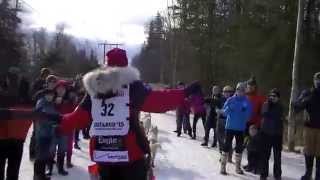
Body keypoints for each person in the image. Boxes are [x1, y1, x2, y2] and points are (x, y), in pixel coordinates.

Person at [57, 48, 201, 180]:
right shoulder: (133, 88)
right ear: (126, 67)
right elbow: (158, 101)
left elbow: (79, 118)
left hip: (103, 154)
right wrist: (185, 92)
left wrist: (59, 122)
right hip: (131, 154)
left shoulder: (95, 90)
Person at [0, 68, 32, 180]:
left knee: (13, 171)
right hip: (6, 138)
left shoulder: (25, 97)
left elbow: (28, 117)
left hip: (15, 139)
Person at [219, 82, 252, 175]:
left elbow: (248, 116)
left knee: (239, 148)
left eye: (242, 90)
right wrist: (228, 109)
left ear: (244, 91)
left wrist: (242, 112)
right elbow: (224, 113)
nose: (240, 92)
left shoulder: (247, 101)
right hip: (229, 127)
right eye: (238, 90)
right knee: (226, 146)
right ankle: (223, 167)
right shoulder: (230, 100)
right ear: (236, 90)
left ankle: (237, 168)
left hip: (240, 128)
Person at [294, 72, 320, 180]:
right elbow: (297, 107)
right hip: (309, 128)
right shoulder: (309, 93)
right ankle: (308, 173)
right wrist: (299, 98)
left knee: (319, 153)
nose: (319, 82)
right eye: (317, 80)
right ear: (314, 80)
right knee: (309, 152)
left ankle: (318, 175)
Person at [33, 88, 60, 180]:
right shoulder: (41, 103)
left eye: (52, 95)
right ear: (44, 95)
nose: (50, 96)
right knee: (40, 156)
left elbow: (53, 114)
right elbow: (41, 117)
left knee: (44, 155)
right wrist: (54, 122)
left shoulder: (50, 103)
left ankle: (41, 175)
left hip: (48, 133)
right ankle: (37, 176)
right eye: (48, 95)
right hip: (42, 134)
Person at [47, 80, 71, 176]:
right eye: (59, 88)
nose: (61, 90)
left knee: (62, 149)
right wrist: (55, 103)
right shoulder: (50, 99)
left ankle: (60, 168)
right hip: (53, 129)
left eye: (63, 89)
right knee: (51, 150)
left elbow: (71, 114)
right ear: (56, 89)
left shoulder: (69, 101)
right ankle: (50, 168)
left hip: (64, 129)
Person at [244, 76, 266, 172]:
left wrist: (259, 124)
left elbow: (263, 112)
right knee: (248, 146)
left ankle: (257, 165)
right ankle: (250, 164)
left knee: (257, 147)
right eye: (249, 85)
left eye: (253, 86)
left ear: (255, 87)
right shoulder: (244, 97)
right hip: (246, 124)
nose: (251, 87)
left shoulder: (260, 97)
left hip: (256, 125)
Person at [260, 89, 283, 180]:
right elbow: (264, 113)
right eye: (271, 96)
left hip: (277, 135)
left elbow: (276, 115)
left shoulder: (280, 106)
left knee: (277, 157)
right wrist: (269, 105)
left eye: (274, 96)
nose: (272, 97)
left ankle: (277, 175)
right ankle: (263, 174)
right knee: (265, 156)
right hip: (266, 134)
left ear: (278, 98)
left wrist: (270, 111)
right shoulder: (266, 104)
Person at [29, 68, 52, 161]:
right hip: (38, 110)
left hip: (47, 111)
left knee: (46, 133)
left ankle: (46, 155)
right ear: (42, 74)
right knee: (36, 132)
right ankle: (33, 153)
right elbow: (33, 95)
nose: (46, 76)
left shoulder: (49, 85)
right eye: (45, 74)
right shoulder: (37, 83)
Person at [216, 85, 234, 161]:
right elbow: (216, 108)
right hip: (220, 120)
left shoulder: (233, 100)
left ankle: (229, 154)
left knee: (227, 140)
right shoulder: (220, 99)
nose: (226, 93)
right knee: (220, 138)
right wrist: (217, 111)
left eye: (228, 92)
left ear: (231, 93)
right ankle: (222, 154)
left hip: (229, 121)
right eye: (224, 91)